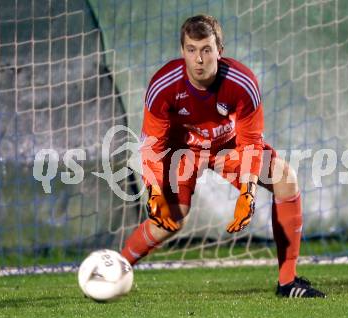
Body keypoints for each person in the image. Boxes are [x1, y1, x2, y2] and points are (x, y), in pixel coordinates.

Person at [121, 15, 325, 298]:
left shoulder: (242, 83)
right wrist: (154, 193)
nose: (199, 59)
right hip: (182, 152)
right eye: (191, 50)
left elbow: (251, 143)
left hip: (227, 147)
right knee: (171, 217)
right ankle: (116, 267)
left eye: (206, 49)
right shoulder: (164, 86)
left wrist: (248, 193)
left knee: (285, 178)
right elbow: (151, 146)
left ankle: (287, 282)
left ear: (220, 50)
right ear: (182, 52)